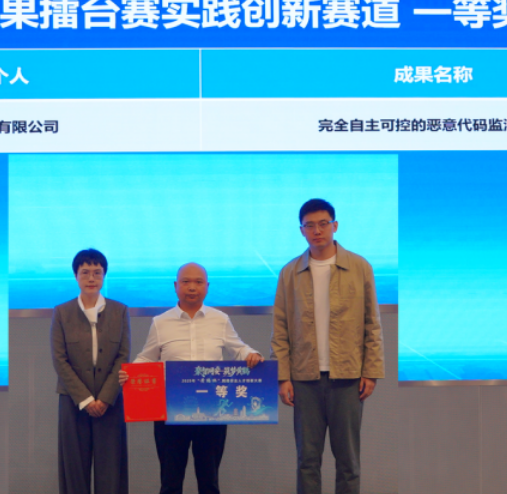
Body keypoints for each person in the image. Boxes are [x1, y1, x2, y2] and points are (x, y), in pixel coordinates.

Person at [270, 199, 384, 494]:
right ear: (302, 230)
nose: (317, 231)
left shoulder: (359, 267)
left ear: (335, 226)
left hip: (348, 376)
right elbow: (280, 328)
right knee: (307, 460)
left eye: (323, 224)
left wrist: (371, 371)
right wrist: (282, 377)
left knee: (348, 461)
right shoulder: (289, 272)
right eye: (310, 225)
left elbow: (372, 323)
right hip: (304, 378)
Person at [119, 262, 263, 494]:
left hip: (212, 411)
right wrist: (130, 373)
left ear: (207, 286)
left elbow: (238, 348)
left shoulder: (220, 319)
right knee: (170, 482)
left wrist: (251, 354)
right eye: (186, 282)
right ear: (176, 286)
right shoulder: (160, 322)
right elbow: (147, 357)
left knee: (209, 482)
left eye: (198, 282)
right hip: (171, 411)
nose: (192, 287)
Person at [51, 249, 130, 494]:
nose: (91, 278)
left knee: (111, 469)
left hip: (110, 401)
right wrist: (85, 400)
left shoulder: (119, 311)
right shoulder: (62, 312)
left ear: (104, 276)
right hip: (73, 401)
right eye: (85, 272)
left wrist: (105, 398)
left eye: (97, 272)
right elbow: (59, 360)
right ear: (76, 276)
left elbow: (123, 356)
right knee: (74, 468)